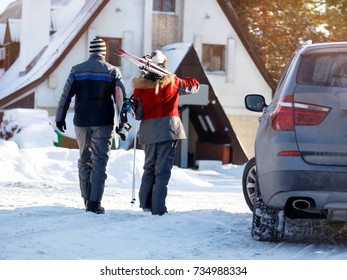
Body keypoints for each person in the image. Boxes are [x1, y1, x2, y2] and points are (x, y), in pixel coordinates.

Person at [55, 37, 126, 214]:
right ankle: (94, 203)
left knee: (84, 158)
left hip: (81, 121)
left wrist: (60, 117)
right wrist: (122, 123)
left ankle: (86, 198)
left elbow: (66, 96)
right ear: (104, 52)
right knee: (99, 160)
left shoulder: (76, 70)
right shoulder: (112, 71)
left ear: (90, 51)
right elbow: (121, 99)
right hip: (103, 121)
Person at [132, 50, 200, 215]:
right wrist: (174, 76)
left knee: (149, 168)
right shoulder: (172, 82)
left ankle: (146, 204)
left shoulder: (139, 88)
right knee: (162, 171)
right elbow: (193, 86)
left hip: (148, 132)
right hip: (168, 130)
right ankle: (159, 208)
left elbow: (138, 114)